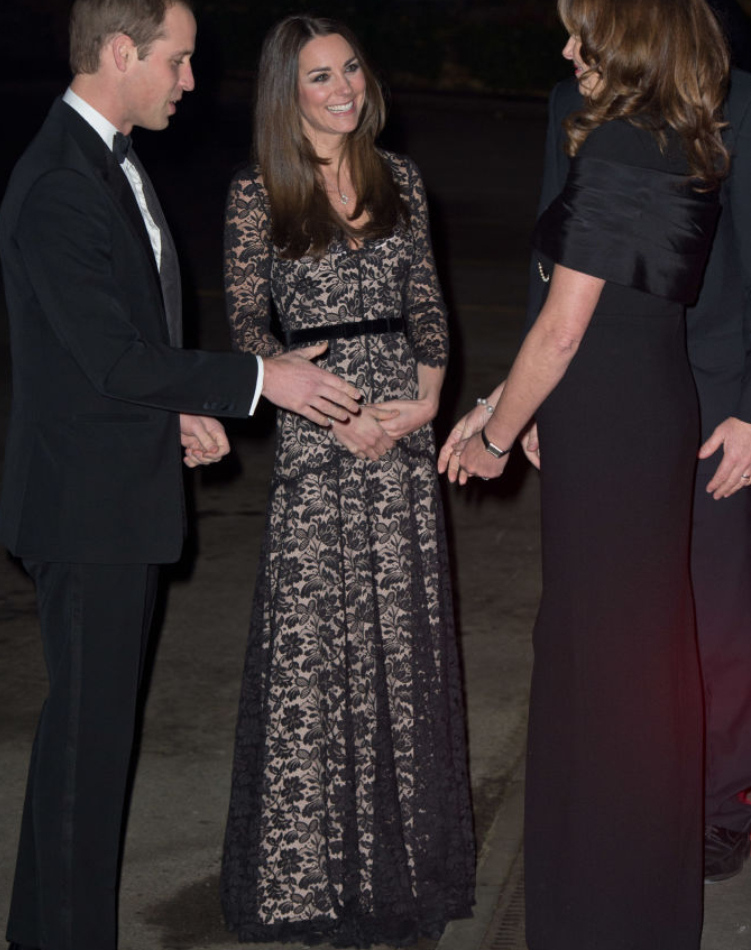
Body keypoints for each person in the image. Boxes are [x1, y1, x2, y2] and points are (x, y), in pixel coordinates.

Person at [0, 2, 362, 949]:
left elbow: (122, 348)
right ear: (122, 53)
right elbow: (112, 359)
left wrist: (182, 411)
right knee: (89, 752)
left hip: (115, 487)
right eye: (179, 60)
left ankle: (41, 932)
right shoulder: (60, 184)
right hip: (85, 509)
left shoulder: (106, 161)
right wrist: (256, 379)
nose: (190, 81)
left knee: (81, 742)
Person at [439, 0, 729, 947]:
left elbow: (563, 330)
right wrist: (503, 405)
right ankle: (643, 904)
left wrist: (491, 435)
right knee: (642, 658)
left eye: (581, 36)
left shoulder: (610, 150)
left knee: (601, 664)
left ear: (627, 47)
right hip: (649, 399)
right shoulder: (680, 138)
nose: (566, 51)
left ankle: (601, 911)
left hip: (606, 416)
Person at [218, 14, 475, 947]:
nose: (343, 88)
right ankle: (313, 884)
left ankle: (403, 876)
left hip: (400, 440)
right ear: (289, 93)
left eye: (352, 69)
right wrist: (335, 411)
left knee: (399, 657)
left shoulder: (401, 179)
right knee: (317, 658)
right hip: (318, 436)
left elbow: (430, 307)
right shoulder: (259, 196)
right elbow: (248, 326)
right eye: (320, 76)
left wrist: (426, 401)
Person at [527, 30, 751, 886]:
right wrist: (535, 395)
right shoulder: (567, 102)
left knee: (714, 606)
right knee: (618, 615)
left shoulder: (740, 101)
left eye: (585, 23)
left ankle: (720, 802)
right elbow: (549, 268)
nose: (567, 42)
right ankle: (635, 797)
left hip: (711, 390)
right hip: (602, 391)